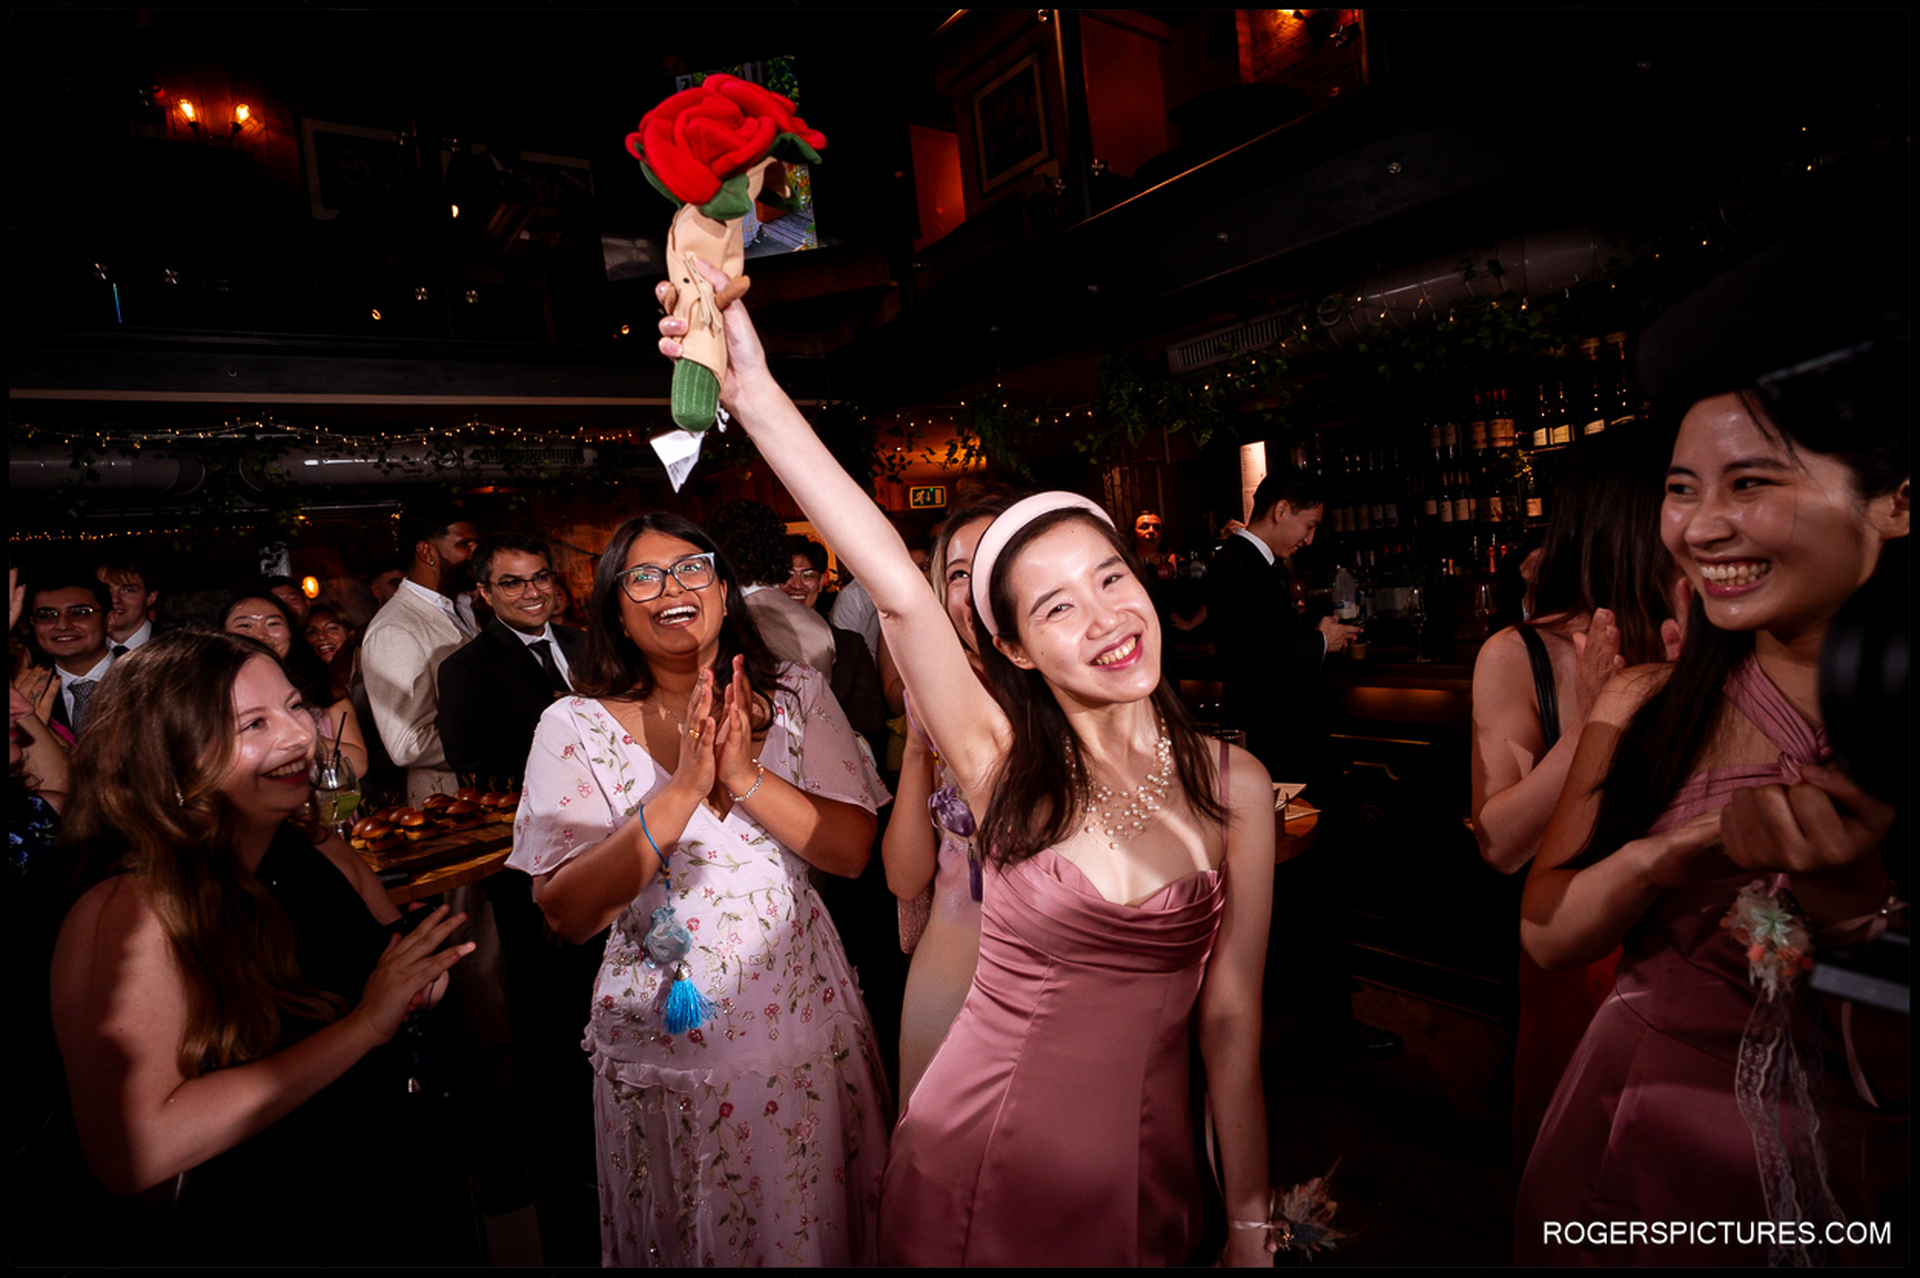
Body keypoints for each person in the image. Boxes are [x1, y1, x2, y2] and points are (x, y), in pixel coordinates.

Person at [660, 260, 1279, 1266]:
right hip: (986, 1156)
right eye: (1056, 606)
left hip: (1146, 1166)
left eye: (1110, 578)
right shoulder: (1001, 764)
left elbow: (1234, 1021)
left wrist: (1252, 1226)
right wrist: (755, 393)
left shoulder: (1235, 785)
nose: (1107, 617)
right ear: (1018, 650)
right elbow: (900, 589)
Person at [1514, 388, 1907, 1263]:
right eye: (1683, 488)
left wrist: (1852, 912)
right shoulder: (1644, 702)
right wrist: (1664, 856)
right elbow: (1545, 931)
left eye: (1752, 483)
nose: (1699, 529)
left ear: (1894, 501)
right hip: (1640, 1144)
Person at [506, 512, 892, 1267]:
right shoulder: (573, 725)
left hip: (797, 1024)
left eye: (690, 569)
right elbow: (567, 913)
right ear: (615, 609)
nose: (670, 589)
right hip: (662, 1042)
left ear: (720, 590)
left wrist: (744, 775)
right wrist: (682, 789)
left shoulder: (799, 694)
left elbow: (851, 855)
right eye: (642, 578)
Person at [45, 632, 473, 1264]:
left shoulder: (318, 849)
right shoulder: (129, 911)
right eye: (253, 723)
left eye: (297, 706)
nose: (299, 736)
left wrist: (420, 979)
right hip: (261, 1220)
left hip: (387, 1184)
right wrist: (363, 1027)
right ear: (173, 757)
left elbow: (390, 968)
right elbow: (134, 1152)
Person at [1469, 428, 1682, 1165]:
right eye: (1680, 495)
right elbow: (1498, 844)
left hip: (1691, 948)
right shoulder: (1518, 654)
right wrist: (1589, 725)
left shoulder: (1700, 637)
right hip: (1577, 952)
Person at [1207, 470, 1393, 1058]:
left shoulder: (1254, 565)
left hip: (1283, 752)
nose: (1310, 539)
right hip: (1278, 754)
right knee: (1312, 885)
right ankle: (1325, 1023)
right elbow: (1249, 658)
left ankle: (1311, 1011)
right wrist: (1318, 642)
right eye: (1308, 525)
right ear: (1282, 509)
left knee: (1305, 887)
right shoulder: (1238, 564)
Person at [881, 494, 1010, 1103]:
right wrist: (916, 747)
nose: (977, 586)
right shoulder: (936, 698)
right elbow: (905, 879)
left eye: (997, 560)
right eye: (960, 573)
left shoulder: (1083, 700)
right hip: (951, 965)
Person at [436, 532, 583, 788]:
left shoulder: (586, 644)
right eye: (512, 584)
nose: (533, 593)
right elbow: (472, 765)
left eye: (541, 578)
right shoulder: (465, 669)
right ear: (486, 592)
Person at [359, 505, 481, 806]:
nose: (477, 552)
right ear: (427, 551)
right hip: (447, 803)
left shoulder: (465, 606)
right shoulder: (394, 628)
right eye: (464, 544)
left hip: (487, 791)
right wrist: (499, 741)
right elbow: (407, 744)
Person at [223, 593, 370, 781]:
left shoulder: (324, 686)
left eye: (273, 623)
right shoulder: (211, 697)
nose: (260, 634)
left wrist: (301, 738)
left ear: (291, 633)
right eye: (245, 625)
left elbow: (358, 765)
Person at [19, 572, 116, 743]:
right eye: (47, 616)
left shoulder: (147, 680)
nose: (62, 625)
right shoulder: (26, 692)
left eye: (80, 613)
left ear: (110, 621)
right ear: (33, 624)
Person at [94, 558, 161, 656]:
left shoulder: (178, 647)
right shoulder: (77, 648)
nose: (114, 599)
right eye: (105, 591)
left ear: (150, 597)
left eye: (128, 591)